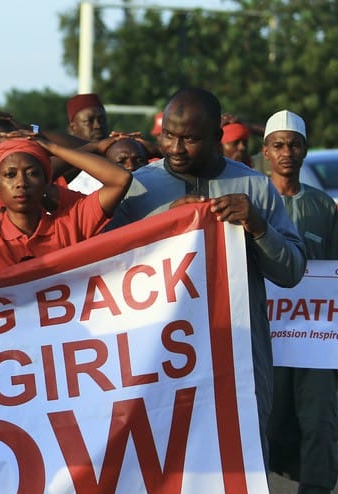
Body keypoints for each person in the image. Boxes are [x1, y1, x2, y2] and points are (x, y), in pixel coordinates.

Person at [107, 87, 306, 450]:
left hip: (239, 355)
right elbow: (109, 270)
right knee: (168, 460)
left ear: (216, 137)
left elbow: (291, 272)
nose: (175, 148)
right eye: (168, 135)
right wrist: (163, 226)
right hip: (162, 360)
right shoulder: (138, 189)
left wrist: (257, 226)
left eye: (189, 139)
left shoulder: (255, 187)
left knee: (244, 456)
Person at [261, 109, 338, 494]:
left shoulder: (322, 206)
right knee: (263, 429)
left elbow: (336, 275)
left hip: (315, 337)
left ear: (305, 149)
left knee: (320, 427)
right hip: (264, 339)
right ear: (265, 151)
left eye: (293, 144)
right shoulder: (251, 200)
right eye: (278, 144)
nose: (286, 152)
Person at [0, 130, 132, 279]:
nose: (21, 183)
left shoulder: (70, 223)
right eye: (10, 175)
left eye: (32, 173)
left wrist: (52, 148)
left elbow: (120, 179)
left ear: (46, 182)